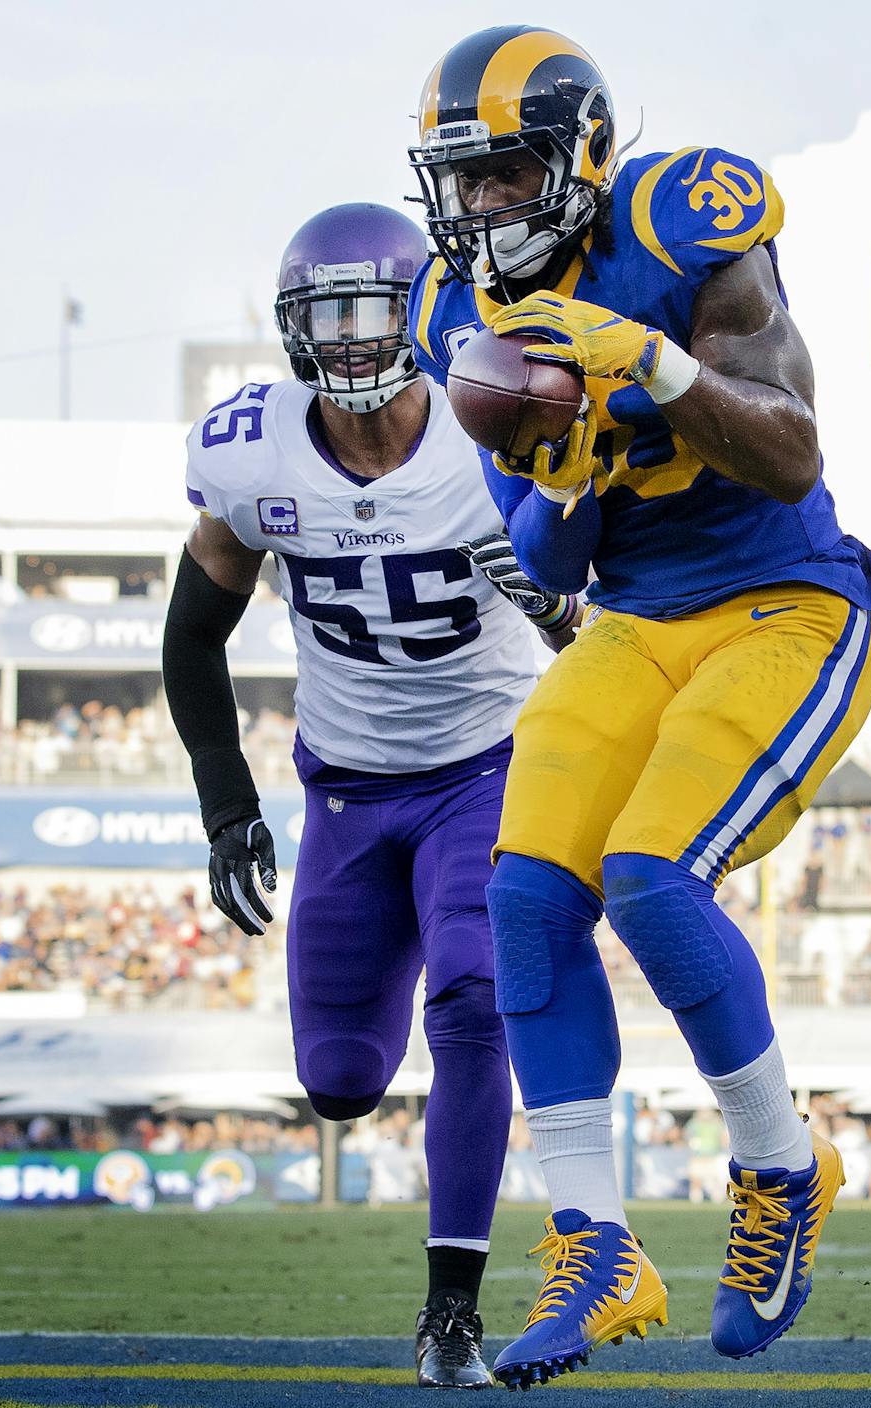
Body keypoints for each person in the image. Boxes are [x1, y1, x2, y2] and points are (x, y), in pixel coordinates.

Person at [406, 25, 871, 1387]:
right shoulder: (468, 323)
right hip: (633, 620)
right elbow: (554, 568)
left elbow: (794, 455)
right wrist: (559, 462)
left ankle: (783, 1168)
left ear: (580, 160)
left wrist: (656, 365)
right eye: (463, 183)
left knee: (651, 879)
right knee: (526, 897)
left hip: (785, 605)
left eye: (505, 178)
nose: (481, 211)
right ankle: (597, 1244)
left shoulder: (688, 221)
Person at [163, 203, 579, 1390]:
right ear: (291, 329)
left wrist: (552, 607)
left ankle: (451, 1308)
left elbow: (610, 640)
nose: (349, 341)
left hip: (489, 765)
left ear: (418, 312)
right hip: (344, 787)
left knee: (471, 1003)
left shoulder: (499, 425)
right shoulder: (252, 453)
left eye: (368, 309)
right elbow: (192, 636)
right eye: (324, 315)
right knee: (339, 1078)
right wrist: (224, 800)